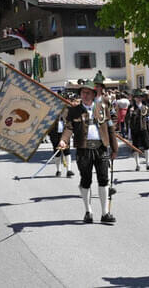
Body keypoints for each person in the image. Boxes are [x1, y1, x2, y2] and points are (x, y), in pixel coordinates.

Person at [58, 80, 118, 223]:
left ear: (93, 94)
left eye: (87, 93)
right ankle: (88, 211)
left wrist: (114, 148)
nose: (84, 95)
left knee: (104, 179)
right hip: (83, 149)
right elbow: (69, 128)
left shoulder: (102, 108)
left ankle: (105, 213)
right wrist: (63, 140)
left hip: (101, 147)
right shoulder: (74, 110)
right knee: (86, 180)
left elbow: (110, 128)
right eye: (83, 92)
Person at [125, 89, 149, 171]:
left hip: (144, 128)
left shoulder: (145, 106)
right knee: (135, 147)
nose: (139, 98)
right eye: (137, 97)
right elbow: (126, 119)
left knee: (147, 146)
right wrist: (130, 114)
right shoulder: (131, 107)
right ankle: (137, 165)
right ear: (134, 98)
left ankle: (148, 163)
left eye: (140, 97)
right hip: (135, 129)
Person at [48, 106, 74, 177]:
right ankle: (58, 170)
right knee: (57, 152)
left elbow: (70, 120)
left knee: (67, 150)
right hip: (54, 133)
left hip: (65, 132)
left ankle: (69, 170)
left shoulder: (66, 109)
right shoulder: (50, 109)